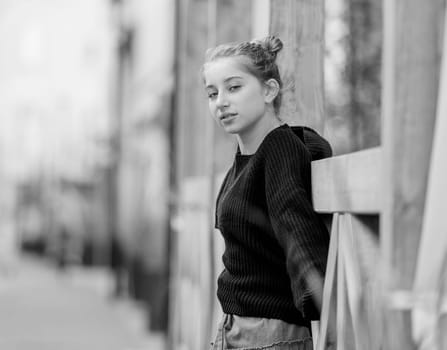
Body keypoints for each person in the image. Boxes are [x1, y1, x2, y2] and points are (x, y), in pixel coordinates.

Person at [202, 35, 333, 350]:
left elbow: (294, 222)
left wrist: (324, 308)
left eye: (234, 87)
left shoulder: (279, 147)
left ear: (269, 90)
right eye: (212, 93)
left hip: (270, 334)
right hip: (239, 329)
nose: (221, 101)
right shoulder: (245, 160)